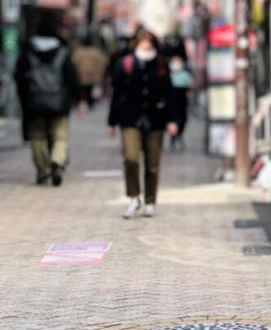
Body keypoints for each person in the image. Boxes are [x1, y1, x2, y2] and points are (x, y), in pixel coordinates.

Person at [108, 29, 183, 218]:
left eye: (150, 47)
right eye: (143, 46)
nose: (146, 50)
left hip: (155, 119)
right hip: (129, 118)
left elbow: (170, 94)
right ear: (136, 46)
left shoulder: (161, 65)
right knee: (131, 158)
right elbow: (116, 93)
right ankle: (134, 196)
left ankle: (150, 200)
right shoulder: (124, 64)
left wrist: (173, 120)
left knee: (153, 163)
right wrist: (111, 122)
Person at [15, 15, 83, 186]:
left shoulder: (28, 51)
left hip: (34, 103)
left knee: (37, 137)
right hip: (59, 104)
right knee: (60, 136)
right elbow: (72, 78)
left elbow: (18, 77)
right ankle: (57, 161)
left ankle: (43, 170)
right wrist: (78, 99)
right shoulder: (62, 52)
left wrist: (24, 97)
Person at [167, 52, 194, 152]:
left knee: (183, 117)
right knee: (173, 118)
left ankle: (179, 134)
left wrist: (189, 93)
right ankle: (173, 137)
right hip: (172, 98)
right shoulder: (168, 75)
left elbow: (190, 86)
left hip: (182, 98)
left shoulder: (185, 74)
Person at [73, 35, 108, 108]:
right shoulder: (96, 51)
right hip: (93, 75)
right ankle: (90, 101)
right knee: (91, 89)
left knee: (85, 89)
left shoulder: (80, 52)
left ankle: (86, 100)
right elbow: (103, 62)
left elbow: (74, 62)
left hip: (82, 75)